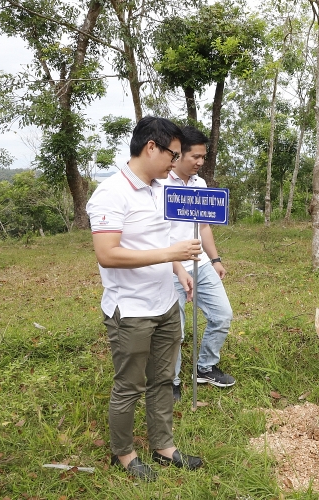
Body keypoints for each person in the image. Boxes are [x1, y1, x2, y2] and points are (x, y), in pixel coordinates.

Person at [86, 116, 204, 482]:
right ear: (151, 147)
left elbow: (154, 242)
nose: (176, 162)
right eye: (173, 154)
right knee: (130, 385)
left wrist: (179, 270)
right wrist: (172, 253)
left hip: (164, 302)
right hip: (132, 309)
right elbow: (108, 253)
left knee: (163, 379)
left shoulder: (158, 188)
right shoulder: (110, 194)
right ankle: (124, 453)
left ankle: (164, 446)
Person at [165, 126, 235, 402]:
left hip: (201, 264)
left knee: (222, 315)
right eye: (195, 156)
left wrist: (215, 259)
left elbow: (203, 225)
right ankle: (172, 380)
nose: (200, 163)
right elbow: (155, 236)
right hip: (169, 266)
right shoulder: (160, 185)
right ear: (178, 154)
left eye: (203, 157)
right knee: (175, 329)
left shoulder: (200, 185)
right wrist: (175, 266)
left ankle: (205, 367)